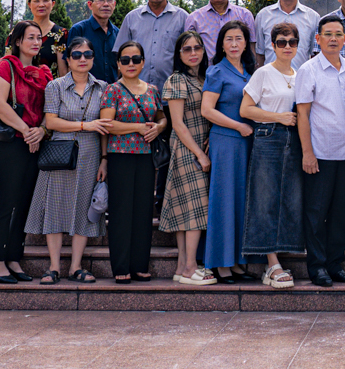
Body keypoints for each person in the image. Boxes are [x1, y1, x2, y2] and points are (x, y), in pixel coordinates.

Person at [33, 38, 108, 284]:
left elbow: (105, 127)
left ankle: (76, 266)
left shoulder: (103, 87)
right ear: (68, 59)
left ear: (94, 58)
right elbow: (51, 122)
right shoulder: (55, 86)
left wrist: (104, 159)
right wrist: (85, 125)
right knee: (54, 207)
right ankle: (53, 266)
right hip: (60, 153)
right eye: (76, 55)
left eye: (88, 54)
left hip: (90, 154)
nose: (82, 59)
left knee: (84, 211)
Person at [0, 20, 50, 283]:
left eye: (39, 38)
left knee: (24, 204)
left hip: (36, 142)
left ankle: (13, 258)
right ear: (18, 41)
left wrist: (41, 131)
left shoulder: (45, 72)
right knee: (7, 202)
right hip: (13, 142)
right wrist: (26, 130)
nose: (35, 42)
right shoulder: (6, 66)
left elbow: (49, 110)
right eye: (30, 37)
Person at [237, 22, 302, 290]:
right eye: (281, 42)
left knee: (290, 198)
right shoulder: (263, 73)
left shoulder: (300, 74)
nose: (287, 46)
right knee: (265, 198)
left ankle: (282, 254)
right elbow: (245, 109)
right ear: (272, 45)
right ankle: (271, 263)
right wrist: (279, 118)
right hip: (268, 137)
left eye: (292, 42)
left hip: (294, 140)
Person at [99, 39, 169, 285]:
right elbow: (107, 125)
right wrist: (138, 127)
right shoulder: (112, 90)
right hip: (121, 157)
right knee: (120, 212)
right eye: (125, 60)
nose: (131, 64)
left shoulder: (152, 90)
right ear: (118, 64)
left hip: (147, 158)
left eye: (136, 59)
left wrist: (158, 128)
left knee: (142, 213)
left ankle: (140, 265)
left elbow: (162, 117)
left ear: (143, 62)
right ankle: (121, 265)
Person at [296, 15, 345, 287]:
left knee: (340, 215)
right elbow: (302, 113)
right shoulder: (309, 70)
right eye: (328, 34)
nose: (333, 38)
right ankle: (317, 266)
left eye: (338, 34)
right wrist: (307, 153)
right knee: (316, 213)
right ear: (318, 39)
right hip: (319, 154)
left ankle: (335, 265)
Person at [199, 20, 258, 282]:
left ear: (246, 43)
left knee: (240, 201)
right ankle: (219, 263)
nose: (234, 44)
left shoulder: (250, 71)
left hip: (246, 144)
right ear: (221, 44)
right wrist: (238, 126)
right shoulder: (216, 72)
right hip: (225, 141)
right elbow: (207, 110)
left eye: (239, 39)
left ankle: (235, 261)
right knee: (223, 201)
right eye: (229, 39)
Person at [161, 30, 214, 285]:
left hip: (198, 144)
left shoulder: (205, 78)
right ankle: (192, 266)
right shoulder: (176, 80)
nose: (193, 53)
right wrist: (200, 154)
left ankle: (182, 266)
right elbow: (178, 124)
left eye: (197, 48)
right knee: (194, 208)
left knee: (185, 207)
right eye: (187, 49)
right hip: (186, 147)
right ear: (179, 54)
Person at [117, 0, 187, 88]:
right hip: (137, 96)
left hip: (172, 95)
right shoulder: (131, 18)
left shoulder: (182, 18)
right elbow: (120, 57)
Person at [254, 0, 319, 71]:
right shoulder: (263, 16)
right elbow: (260, 54)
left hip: (300, 81)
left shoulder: (313, 17)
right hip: (270, 82)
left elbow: (314, 55)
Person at [188, 0, 257, 54]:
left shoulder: (245, 15)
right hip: (207, 67)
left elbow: (251, 48)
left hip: (237, 67)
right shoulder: (194, 19)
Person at [67, 0, 122, 83]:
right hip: (85, 92)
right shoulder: (79, 30)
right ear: (90, 4)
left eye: (109, 0)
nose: (106, 4)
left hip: (111, 93)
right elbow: (69, 64)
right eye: (101, 0)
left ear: (114, 4)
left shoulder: (117, 33)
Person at [25, 0, 67, 75]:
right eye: (36, 1)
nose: (41, 5)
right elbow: (7, 65)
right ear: (29, 4)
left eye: (45, 0)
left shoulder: (60, 34)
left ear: (53, 4)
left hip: (50, 88)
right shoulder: (18, 32)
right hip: (21, 87)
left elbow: (63, 73)